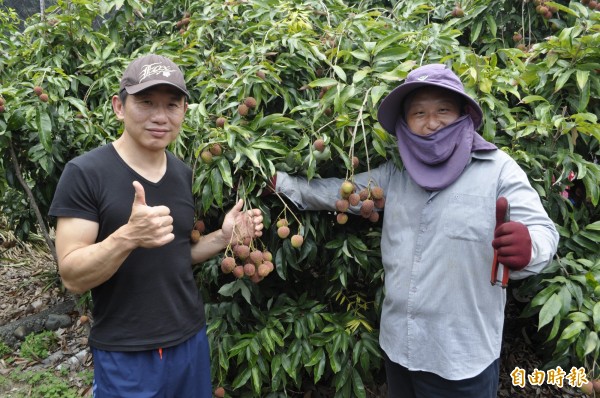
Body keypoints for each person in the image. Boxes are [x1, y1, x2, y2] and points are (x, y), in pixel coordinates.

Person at [272, 63, 558, 397]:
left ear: (464, 113)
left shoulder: (497, 170)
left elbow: (543, 231)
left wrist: (529, 249)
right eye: (418, 113)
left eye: (443, 110)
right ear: (405, 123)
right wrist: (282, 184)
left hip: (460, 359)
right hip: (399, 347)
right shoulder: (396, 175)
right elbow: (341, 192)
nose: (431, 123)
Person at [49, 54, 264, 397]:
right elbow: (72, 275)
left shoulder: (183, 174)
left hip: (189, 340)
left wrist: (224, 237)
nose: (160, 116)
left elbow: (177, 254)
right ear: (119, 106)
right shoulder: (85, 173)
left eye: (172, 105)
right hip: (127, 351)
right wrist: (128, 236)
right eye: (146, 103)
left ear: (183, 112)